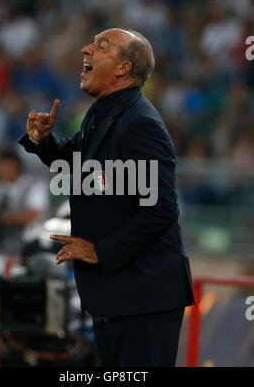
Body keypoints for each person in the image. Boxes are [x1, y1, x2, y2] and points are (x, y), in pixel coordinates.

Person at [19, 28, 195, 366]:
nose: (86, 48)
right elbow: (74, 166)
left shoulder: (141, 123)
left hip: (145, 295)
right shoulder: (103, 112)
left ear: (123, 68)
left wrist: (100, 251)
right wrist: (43, 141)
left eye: (101, 46)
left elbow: (160, 210)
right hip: (117, 293)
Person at [0, 148, 49, 254]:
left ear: (17, 166)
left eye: (8, 165)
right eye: (1, 165)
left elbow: (34, 216)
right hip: (2, 243)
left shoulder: (34, 185)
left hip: (30, 243)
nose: (4, 169)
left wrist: (5, 218)